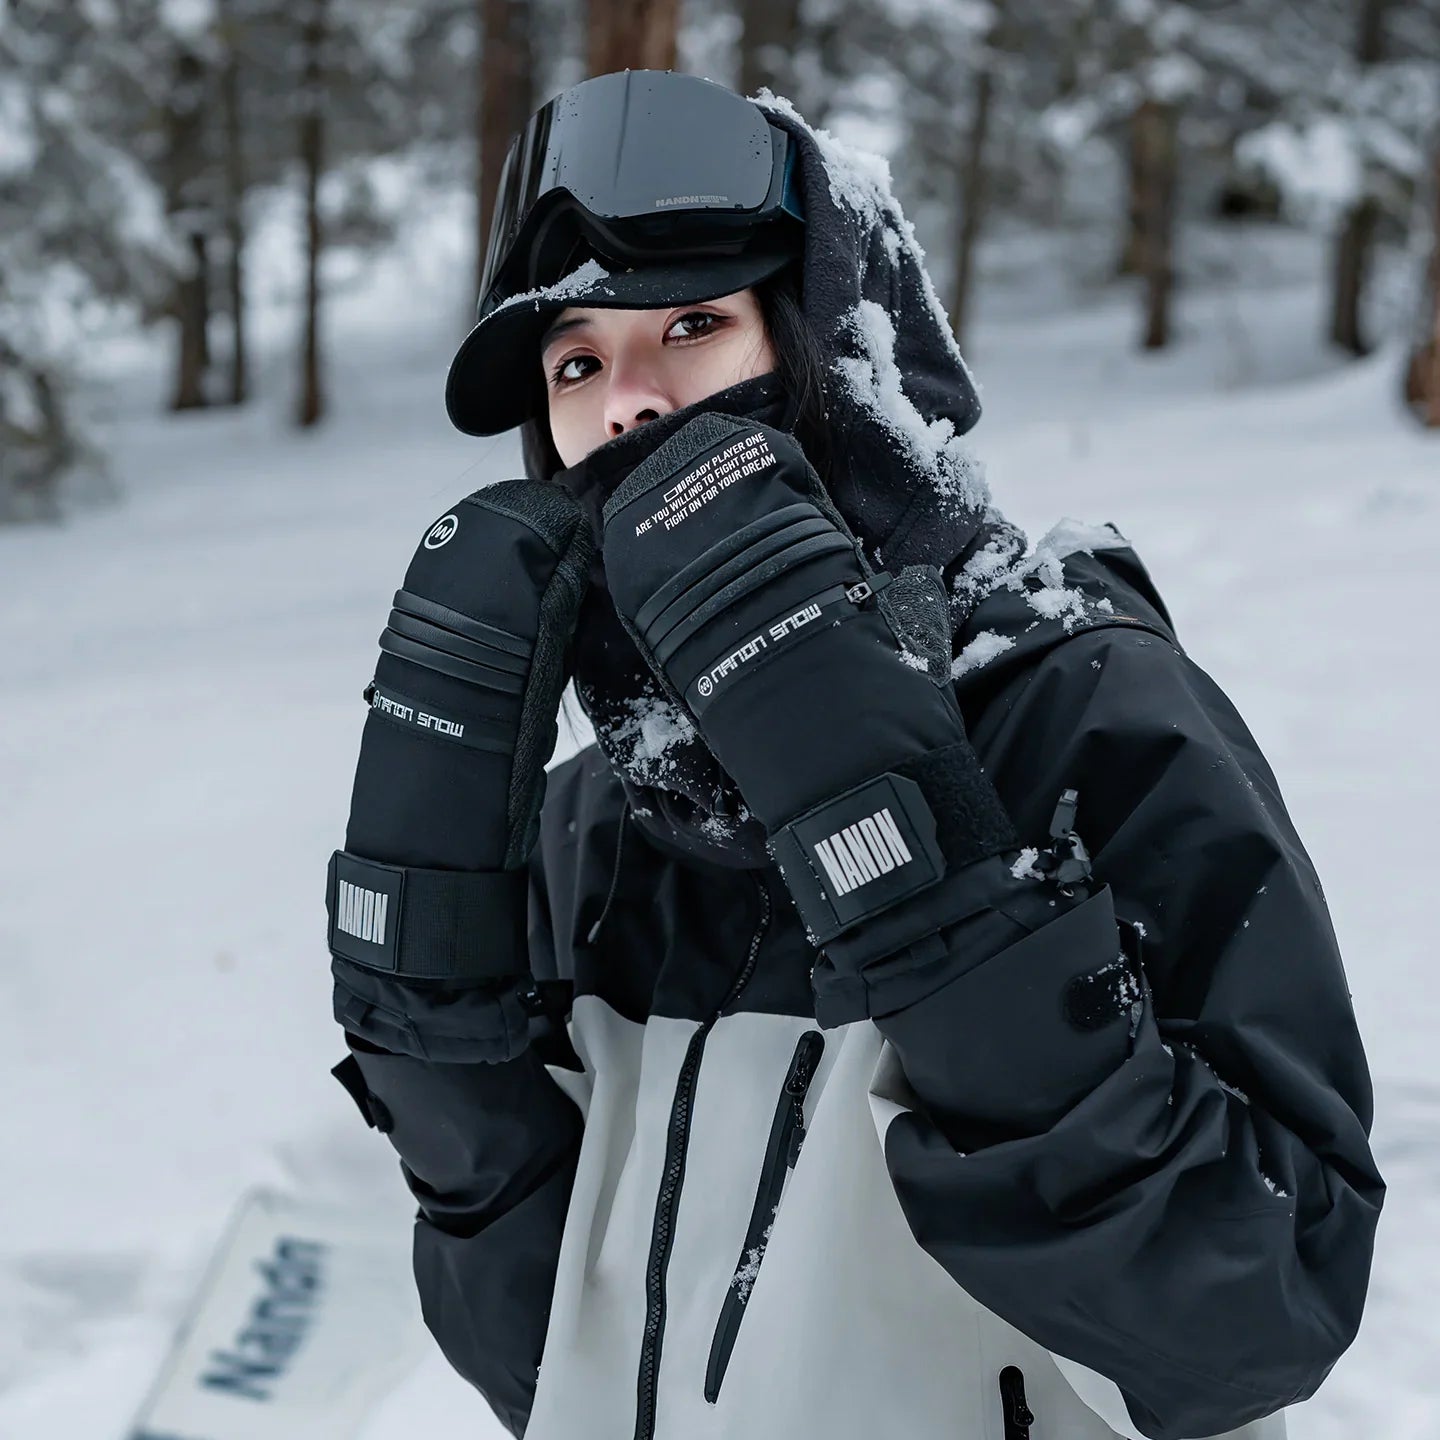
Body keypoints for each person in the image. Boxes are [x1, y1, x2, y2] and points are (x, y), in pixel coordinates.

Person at [324, 72, 1383, 1440]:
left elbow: (1257, 1319)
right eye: (577, 360)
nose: (625, 404)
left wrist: (926, 881)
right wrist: (439, 1037)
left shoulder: (1083, 713)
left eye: (694, 325)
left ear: (841, 355)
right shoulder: (595, 819)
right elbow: (551, 1367)